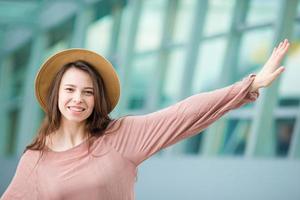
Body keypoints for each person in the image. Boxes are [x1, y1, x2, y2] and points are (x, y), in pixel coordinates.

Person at [1, 39, 290, 200]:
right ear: (56, 96)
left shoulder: (120, 136)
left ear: (96, 99)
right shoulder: (35, 159)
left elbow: (183, 113)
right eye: (70, 90)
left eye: (87, 92)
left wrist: (248, 86)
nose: (78, 99)